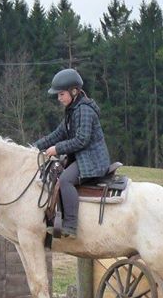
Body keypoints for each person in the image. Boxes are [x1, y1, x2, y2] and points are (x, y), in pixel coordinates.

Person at [33, 68, 111, 238]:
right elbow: (57, 135)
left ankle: (70, 226)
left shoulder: (84, 110)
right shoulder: (72, 110)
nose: (59, 98)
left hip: (93, 160)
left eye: (61, 94)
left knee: (65, 180)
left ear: (74, 91)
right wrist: (33, 148)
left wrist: (57, 149)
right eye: (58, 95)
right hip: (82, 157)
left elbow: (82, 140)